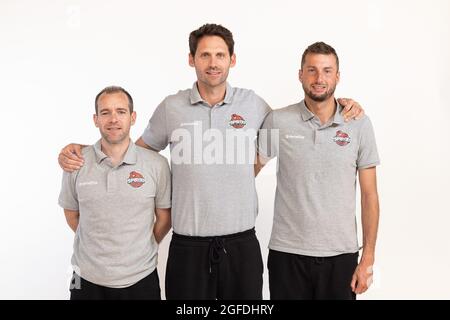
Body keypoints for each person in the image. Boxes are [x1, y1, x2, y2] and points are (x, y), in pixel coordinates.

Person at [58, 24, 363, 300]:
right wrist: (85, 150)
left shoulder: (253, 105)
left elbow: (296, 121)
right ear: (192, 59)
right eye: (205, 55)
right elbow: (133, 151)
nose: (213, 63)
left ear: (232, 59)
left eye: (220, 55)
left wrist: (343, 105)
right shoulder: (172, 108)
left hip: (241, 245)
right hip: (187, 245)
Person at [258, 42, 380, 300]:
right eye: (311, 70)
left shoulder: (358, 124)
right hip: (287, 255)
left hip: (341, 257)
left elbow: (369, 196)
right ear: (300, 74)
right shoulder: (279, 121)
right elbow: (248, 172)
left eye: (327, 71)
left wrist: (367, 257)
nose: (319, 78)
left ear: (337, 76)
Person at [58, 86, 171, 300]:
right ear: (95, 119)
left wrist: (140, 246)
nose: (113, 119)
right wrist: (97, 241)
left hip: (140, 277)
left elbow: (165, 217)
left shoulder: (157, 165)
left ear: (133, 117)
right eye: (105, 112)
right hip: (85, 277)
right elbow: (72, 214)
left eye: (121, 111)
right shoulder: (76, 162)